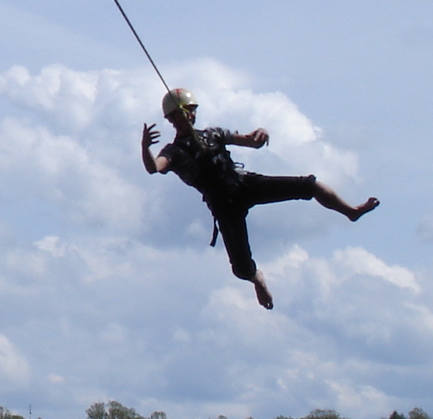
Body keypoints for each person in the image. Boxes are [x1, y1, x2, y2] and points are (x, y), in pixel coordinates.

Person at [140, 86, 377, 310]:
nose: (185, 118)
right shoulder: (172, 152)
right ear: (171, 120)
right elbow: (153, 168)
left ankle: (351, 212)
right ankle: (257, 279)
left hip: (245, 184)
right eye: (178, 115)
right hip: (223, 204)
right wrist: (146, 148)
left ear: (194, 113)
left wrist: (260, 135)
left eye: (188, 112)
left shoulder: (214, 134)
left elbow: (251, 142)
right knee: (241, 269)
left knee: (310, 185)